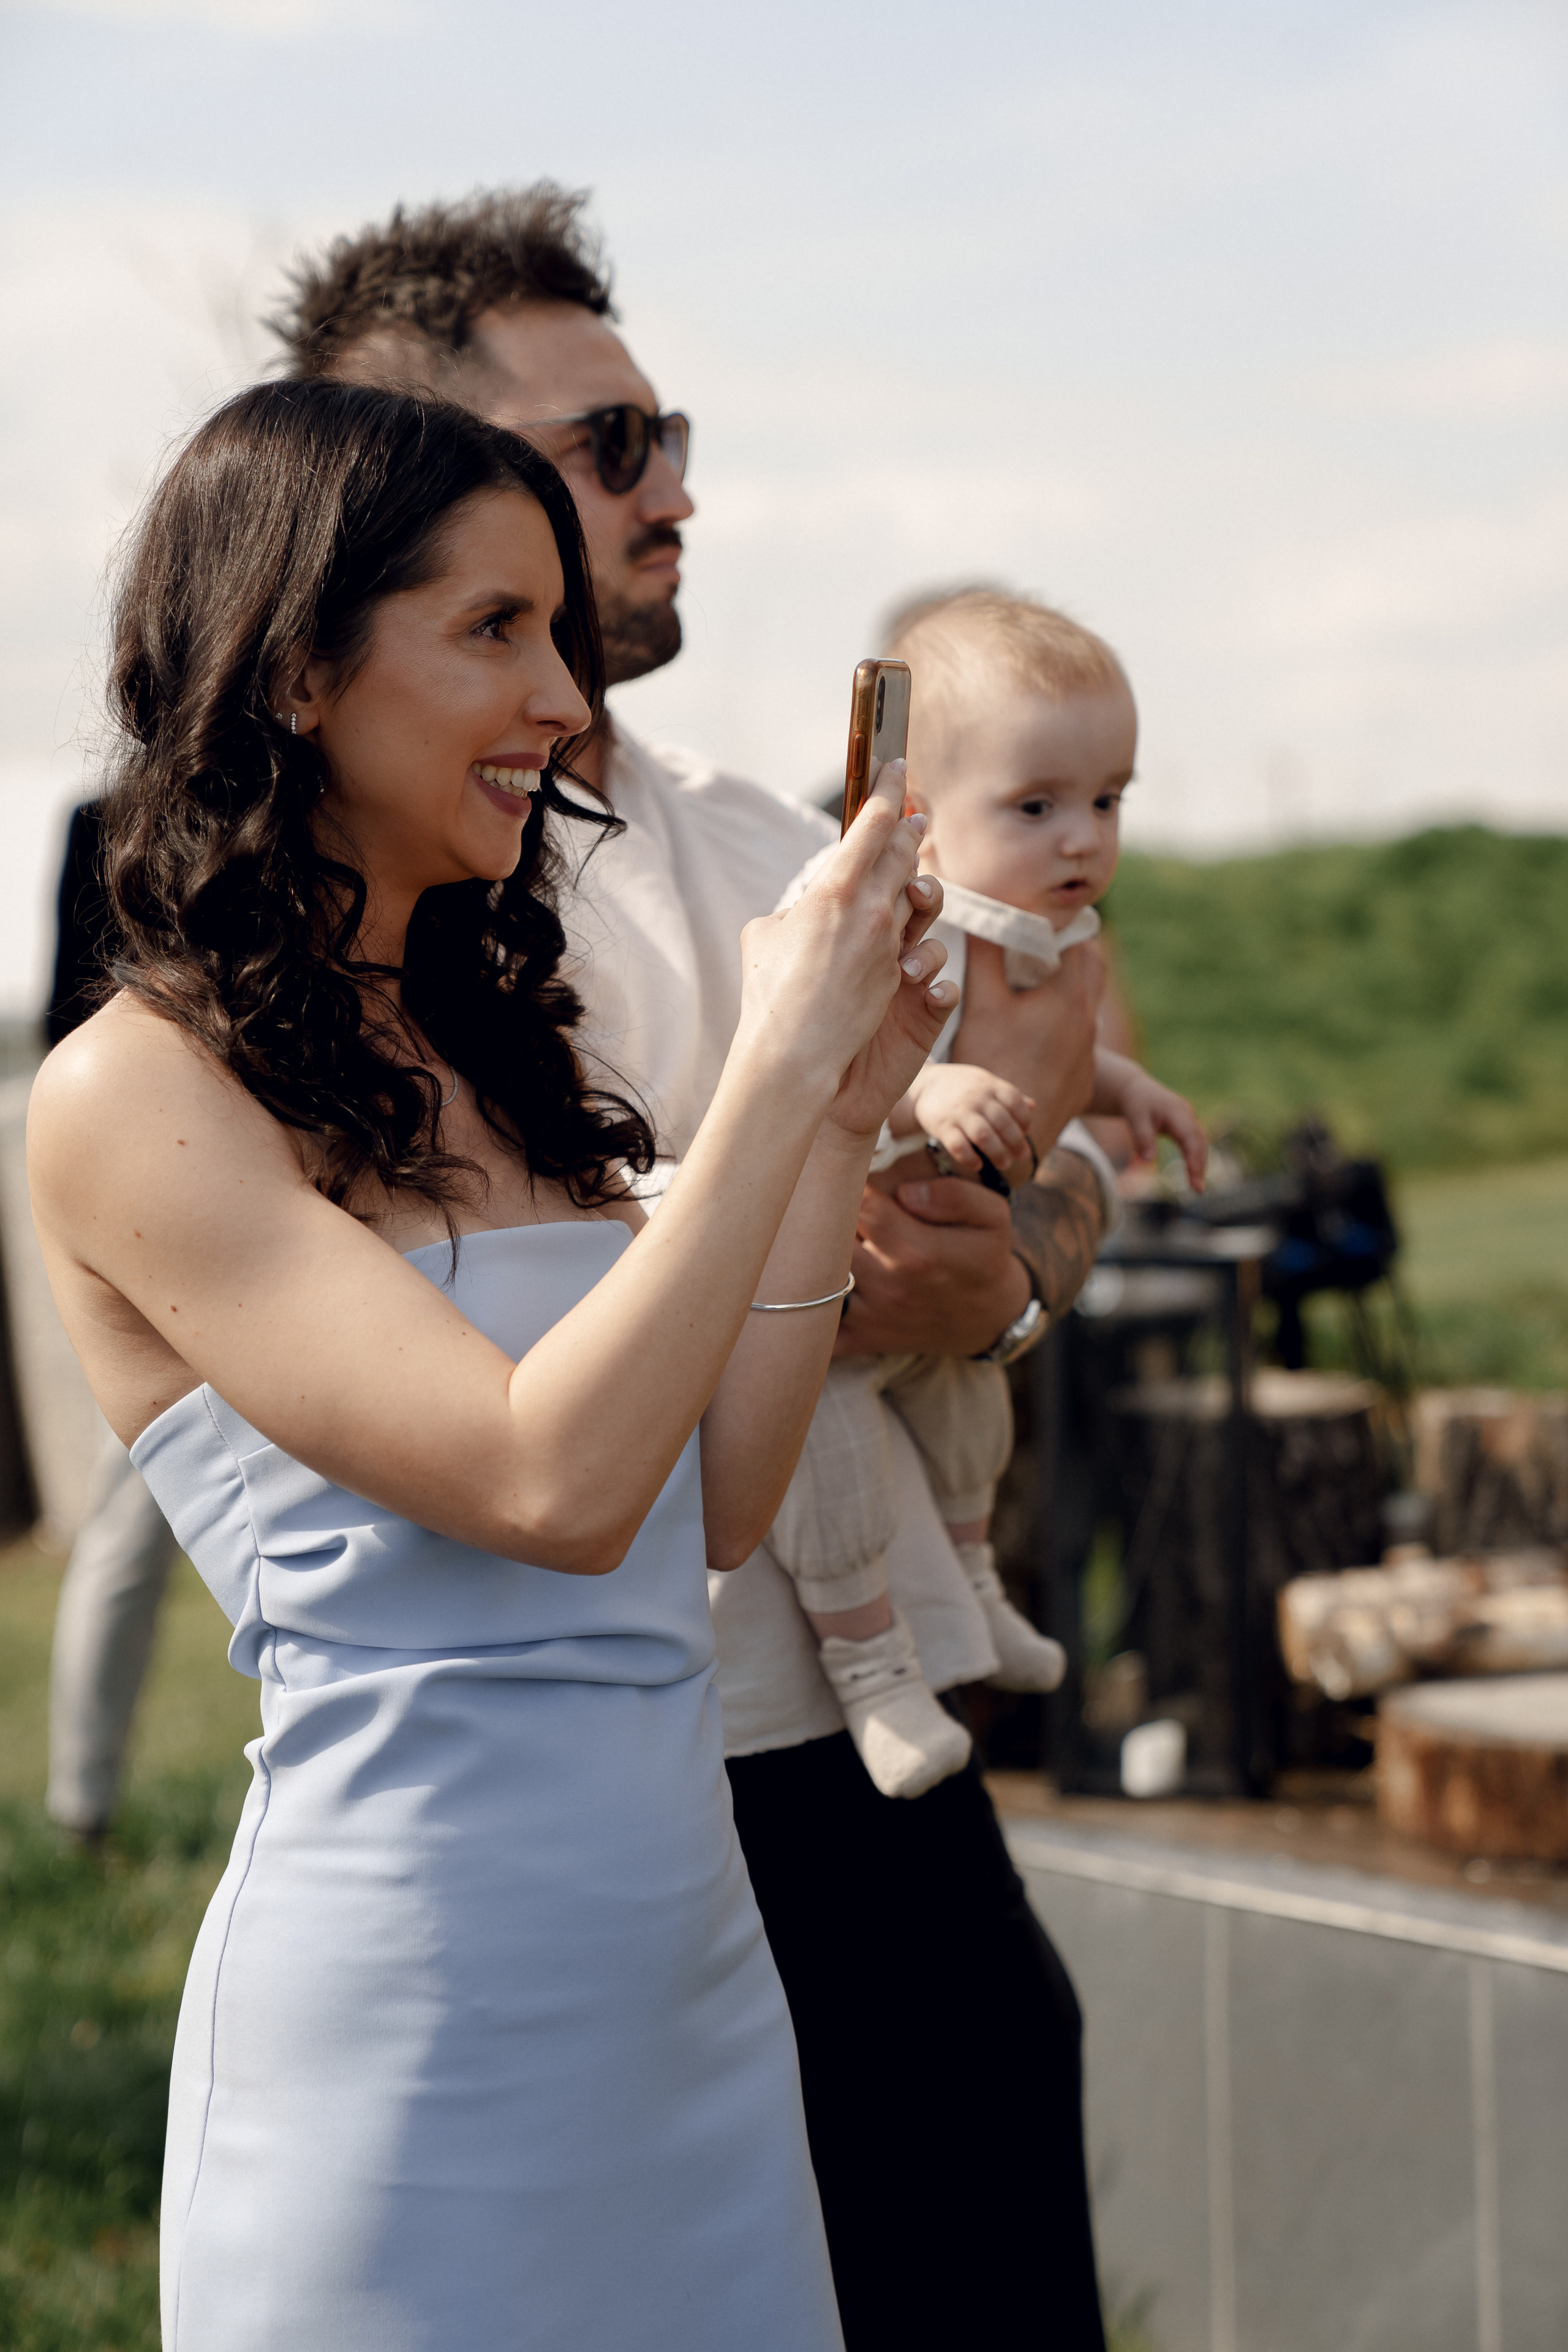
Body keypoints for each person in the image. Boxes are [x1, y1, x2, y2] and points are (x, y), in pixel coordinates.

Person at [28, 376, 955, 2348]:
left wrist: (834, 1119)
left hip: (691, 2005)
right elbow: (548, 1484)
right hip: (410, 2053)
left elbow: (706, 1504)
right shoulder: (133, 1093)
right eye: (493, 631)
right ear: (294, 670)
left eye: (560, 626)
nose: (564, 692)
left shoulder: (501, 1041)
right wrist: (775, 1056)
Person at [275, 186, 1113, 2349]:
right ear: (410, 491)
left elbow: (1059, 1163)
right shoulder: (380, 922)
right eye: (613, 444)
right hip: (628, 1784)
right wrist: (814, 1225)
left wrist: (999, 1273)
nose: (677, 493)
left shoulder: (780, 832)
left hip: (880, 1747)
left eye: (671, 433)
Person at [763, 591, 1209, 1796]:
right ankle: (872, 1676)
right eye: (1035, 807)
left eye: (1106, 802)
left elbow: (1062, 1064)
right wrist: (933, 1092)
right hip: (831, 1291)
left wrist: (1127, 1094)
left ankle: (973, 1591)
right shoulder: (910, 929)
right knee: (834, 1465)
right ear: (918, 815)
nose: (1082, 840)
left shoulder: (1051, 936)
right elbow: (847, 1063)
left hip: (949, 1283)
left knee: (973, 1429)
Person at [42, 801, 183, 1839]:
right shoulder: (102, 823)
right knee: (126, 1518)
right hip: (157, 1210)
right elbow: (63, 1014)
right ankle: (81, 1802)